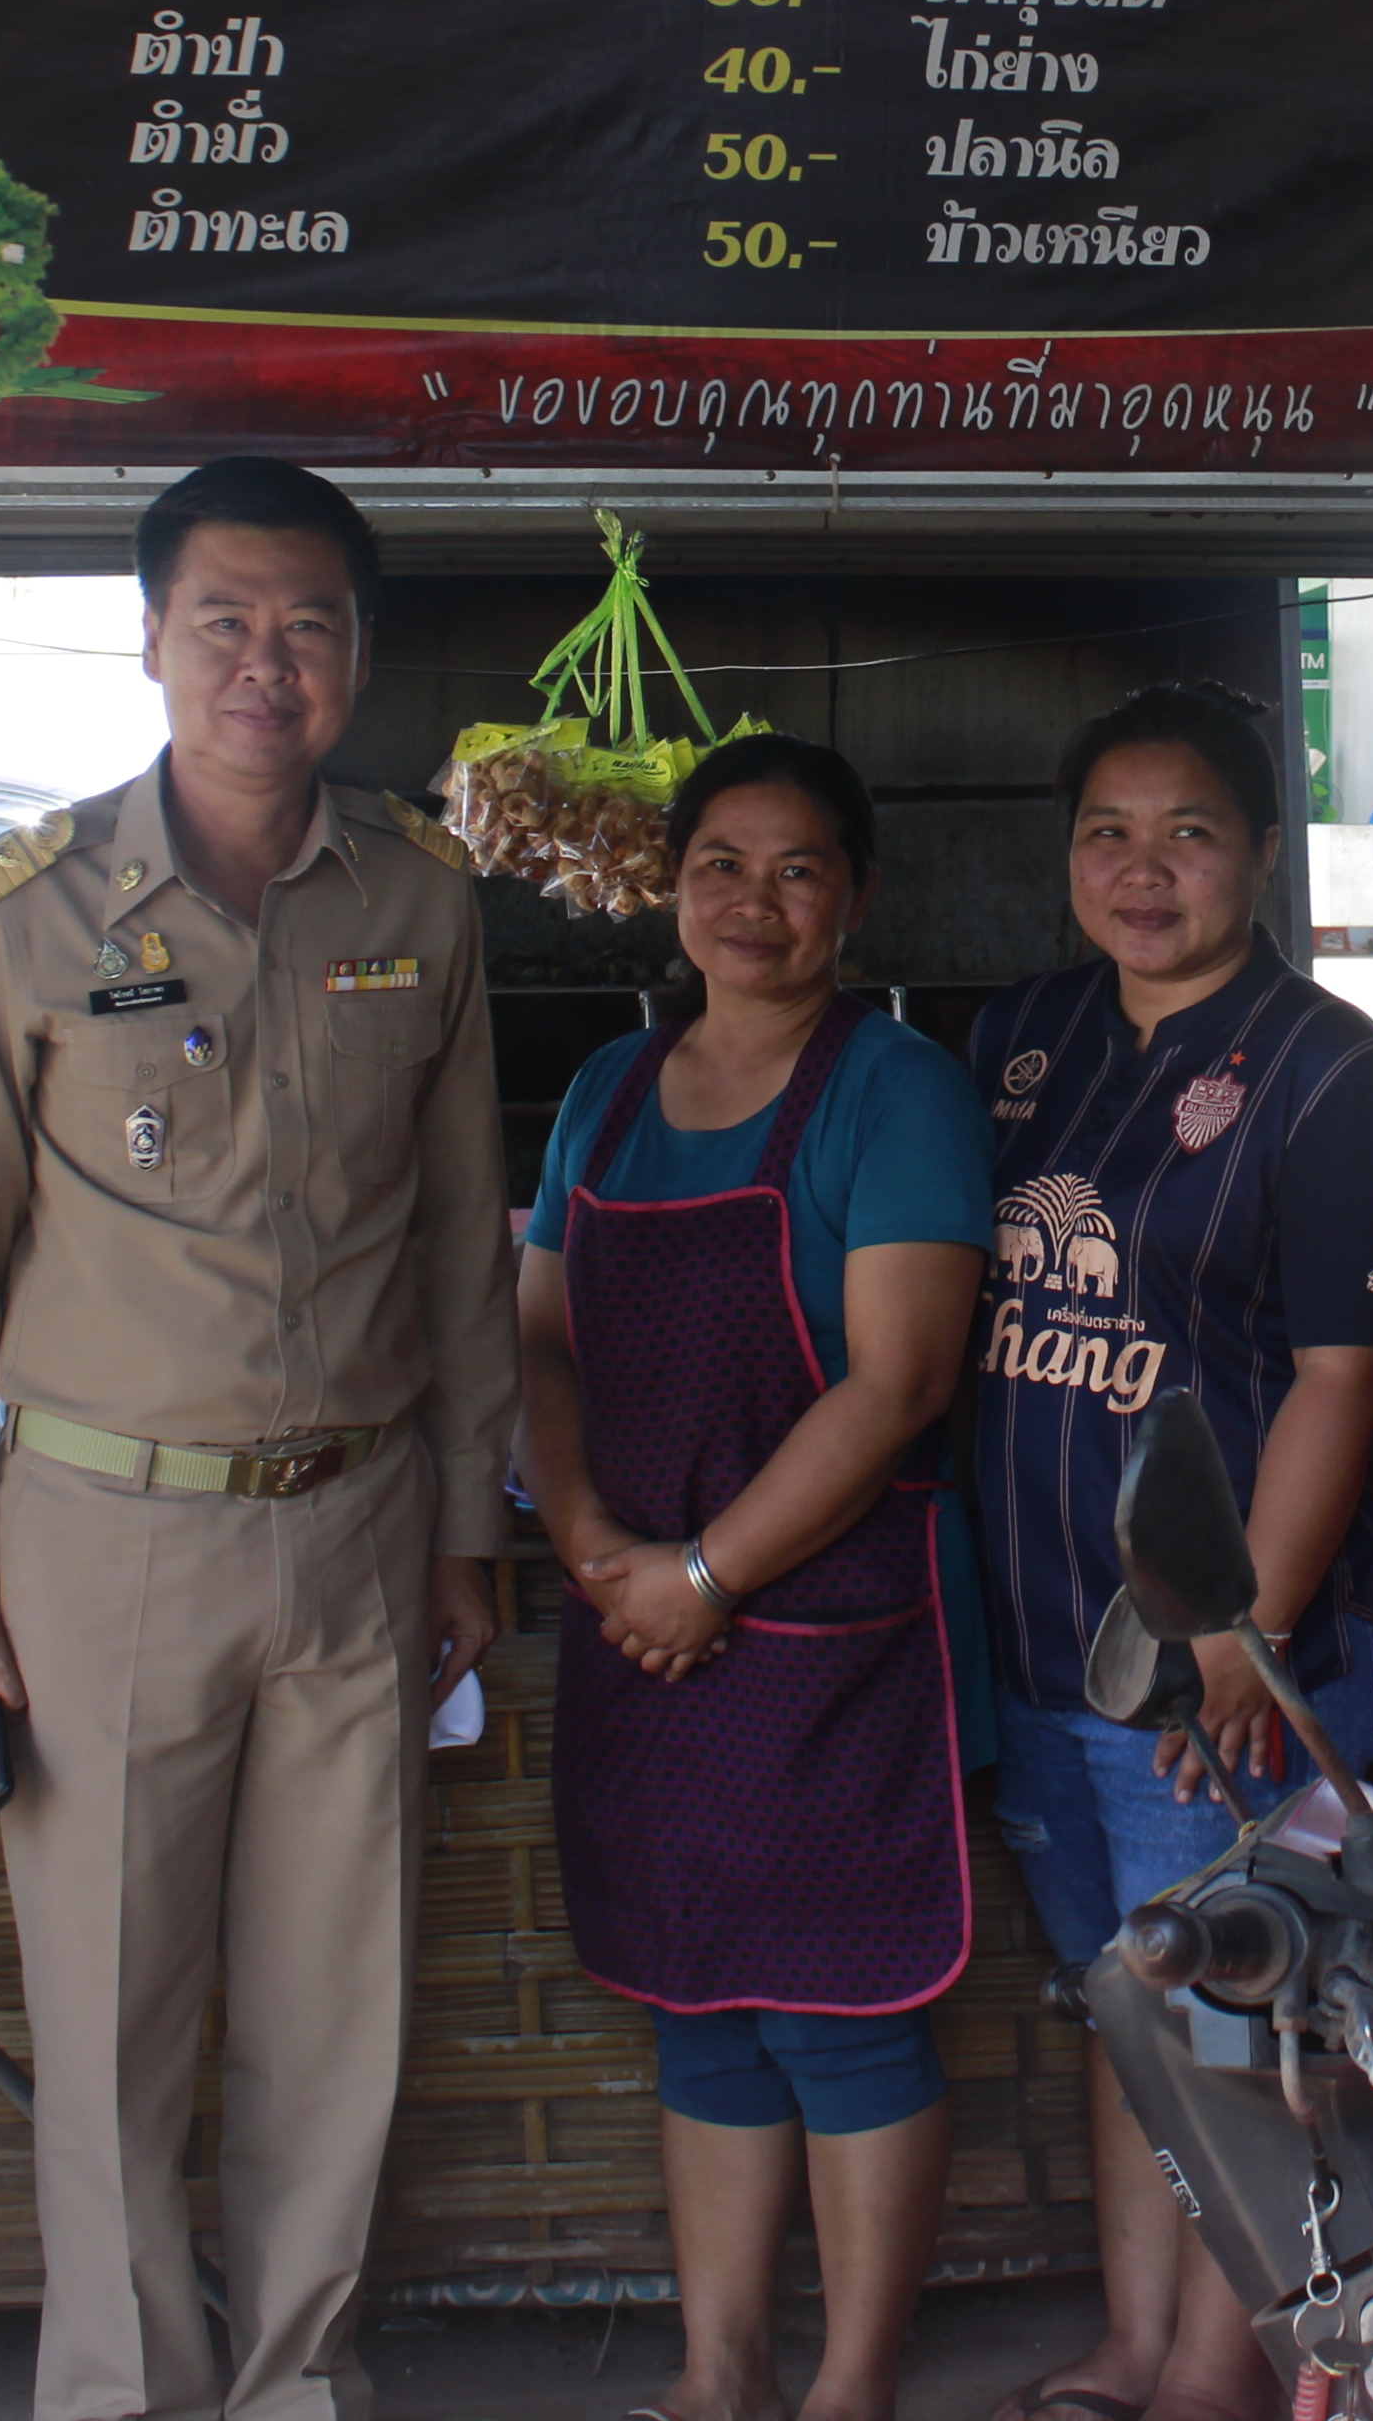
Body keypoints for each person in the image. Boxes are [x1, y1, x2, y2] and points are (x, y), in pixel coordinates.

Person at [0, 457, 512, 2421]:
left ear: (357, 656)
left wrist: (465, 1531)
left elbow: (463, 1237)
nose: (267, 663)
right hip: (102, 1534)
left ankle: (295, 2389)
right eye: (225, 621)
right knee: (116, 2028)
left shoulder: (419, 892)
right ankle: (126, 2397)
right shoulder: (30, 905)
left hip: (358, 1527)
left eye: (310, 624)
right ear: (153, 641)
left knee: (339, 2026)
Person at [965, 681, 1373, 2421]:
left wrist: (1247, 1624)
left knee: (1237, 2027)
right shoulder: (1022, 1041)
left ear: (1258, 853)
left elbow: (1346, 1376)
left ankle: (1233, 2371)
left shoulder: (1328, 1073)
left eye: (1187, 833)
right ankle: (1140, 2337)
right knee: (1126, 2010)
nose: (1142, 868)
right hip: (1038, 1637)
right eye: (1107, 832)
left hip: (1214, 1672)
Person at [518, 732, 994, 2421]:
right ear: (670, 886)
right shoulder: (605, 1091)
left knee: (839, 2015)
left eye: (797, 868)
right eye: (719, 860)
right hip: (634, 1623)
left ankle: (848, 2385)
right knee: (698, 2005)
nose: (752, 901)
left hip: (822, 1634)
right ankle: (718, 2375)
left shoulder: (892, 1089)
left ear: (851, 899)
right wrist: (587, 1543)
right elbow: (540, 1343)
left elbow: (897, 1382)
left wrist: (704, 1573)